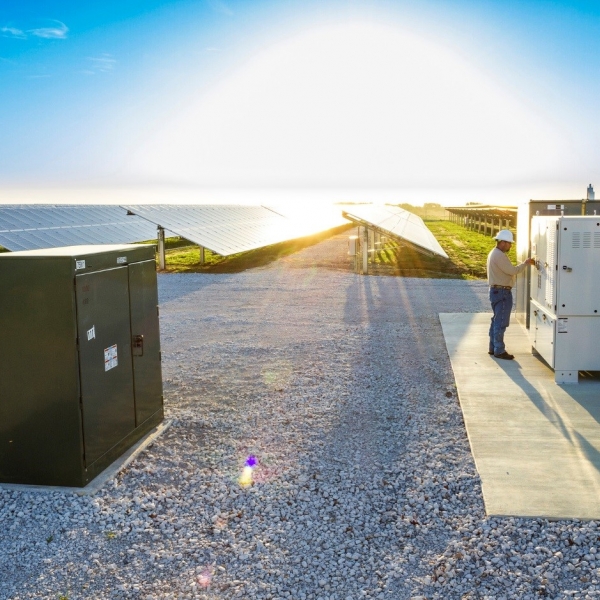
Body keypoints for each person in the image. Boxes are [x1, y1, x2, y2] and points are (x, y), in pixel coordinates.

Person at [487, 230, 535, 360]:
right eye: (509, 243)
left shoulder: (494, 253)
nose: (510, 246)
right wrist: (525, 263)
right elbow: (512, 270)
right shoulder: (499, 255)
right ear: (503, 242)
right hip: (502, 292)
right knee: (501, 321)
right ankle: (499, 350)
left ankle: (493, 347)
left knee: (496, 319)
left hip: (496, 291)